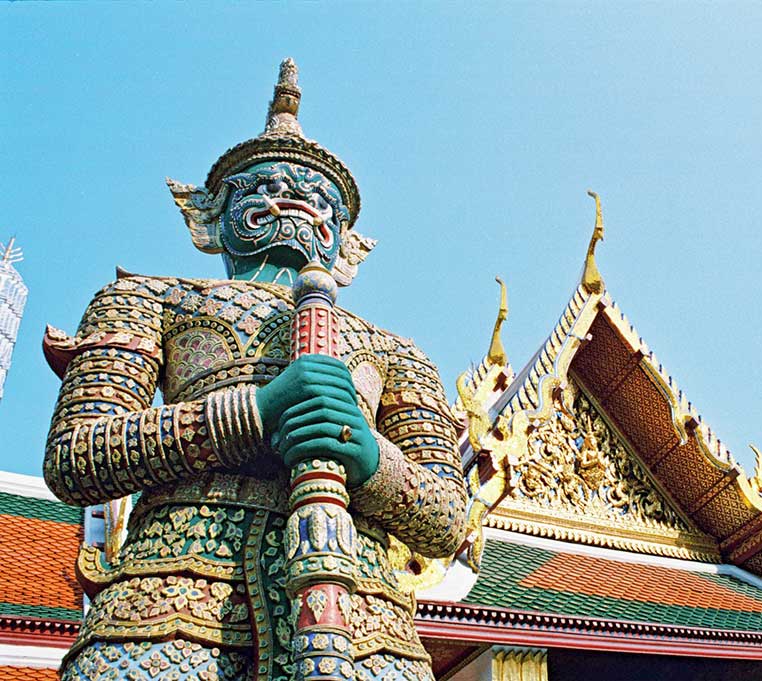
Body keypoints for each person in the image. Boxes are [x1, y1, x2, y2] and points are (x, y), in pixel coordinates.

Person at [43, 59, 466, 681]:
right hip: (171, 604)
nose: (292, 198)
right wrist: (254, 412)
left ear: (347, 243)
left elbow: (449, 520)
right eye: (262, 187)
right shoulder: (149, 300)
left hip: (362, 621)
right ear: (210, 216)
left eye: (319, 198)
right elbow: (76, 456)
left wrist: (367, 453)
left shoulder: (398, 352)